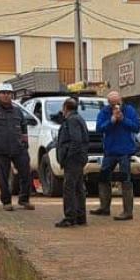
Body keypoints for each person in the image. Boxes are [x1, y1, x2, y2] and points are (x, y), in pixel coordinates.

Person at [0, 82, 37, 210]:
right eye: (3, 93)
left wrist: (25, 143)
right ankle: (6, 202)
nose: (6, 96)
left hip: (19, 149)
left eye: (8, 93)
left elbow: (24, 127)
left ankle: (24, 200)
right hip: (1, 151)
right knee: (3, 177)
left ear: (12, 95)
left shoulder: (18, 111)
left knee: (26, 174)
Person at [94, 92, 140, 221]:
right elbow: (99, 128)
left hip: (125, 151)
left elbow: (136, 127)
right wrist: (112, 120)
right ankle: (104, 207)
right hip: (110, 151)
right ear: (108, 103)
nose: (116, 106)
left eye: (117, 103)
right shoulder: (104, 112)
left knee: (125, 180)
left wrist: (123, 120)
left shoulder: (129, 110)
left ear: (121, 100)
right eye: (112, 103)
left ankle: (127, 211)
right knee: (103, 178)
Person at [53, 94, 90, 228]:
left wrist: (68, 155)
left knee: (69, 188)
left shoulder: (72, 120)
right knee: (78, 187)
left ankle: (70, 217)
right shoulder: (77, 118)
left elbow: (76, 140)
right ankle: (80, 216)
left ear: (65, 108)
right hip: (78, 158)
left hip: (73, 160)